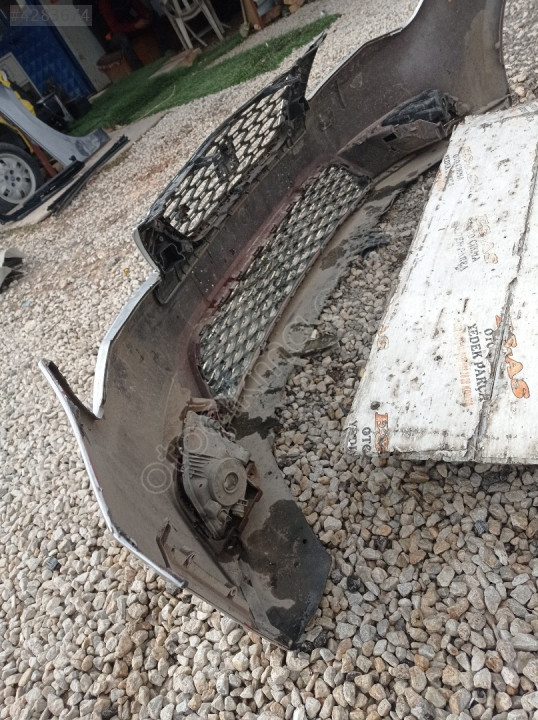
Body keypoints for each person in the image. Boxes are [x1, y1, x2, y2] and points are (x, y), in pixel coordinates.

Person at [98, 0, 152, 69]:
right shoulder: (104, 3)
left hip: (128, 26)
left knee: (153, 16)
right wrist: (134, 26)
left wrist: (146, 15)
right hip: (111, 36)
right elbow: (114, 28)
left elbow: (138, 6)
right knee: (122, 38)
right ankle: (139, 68)